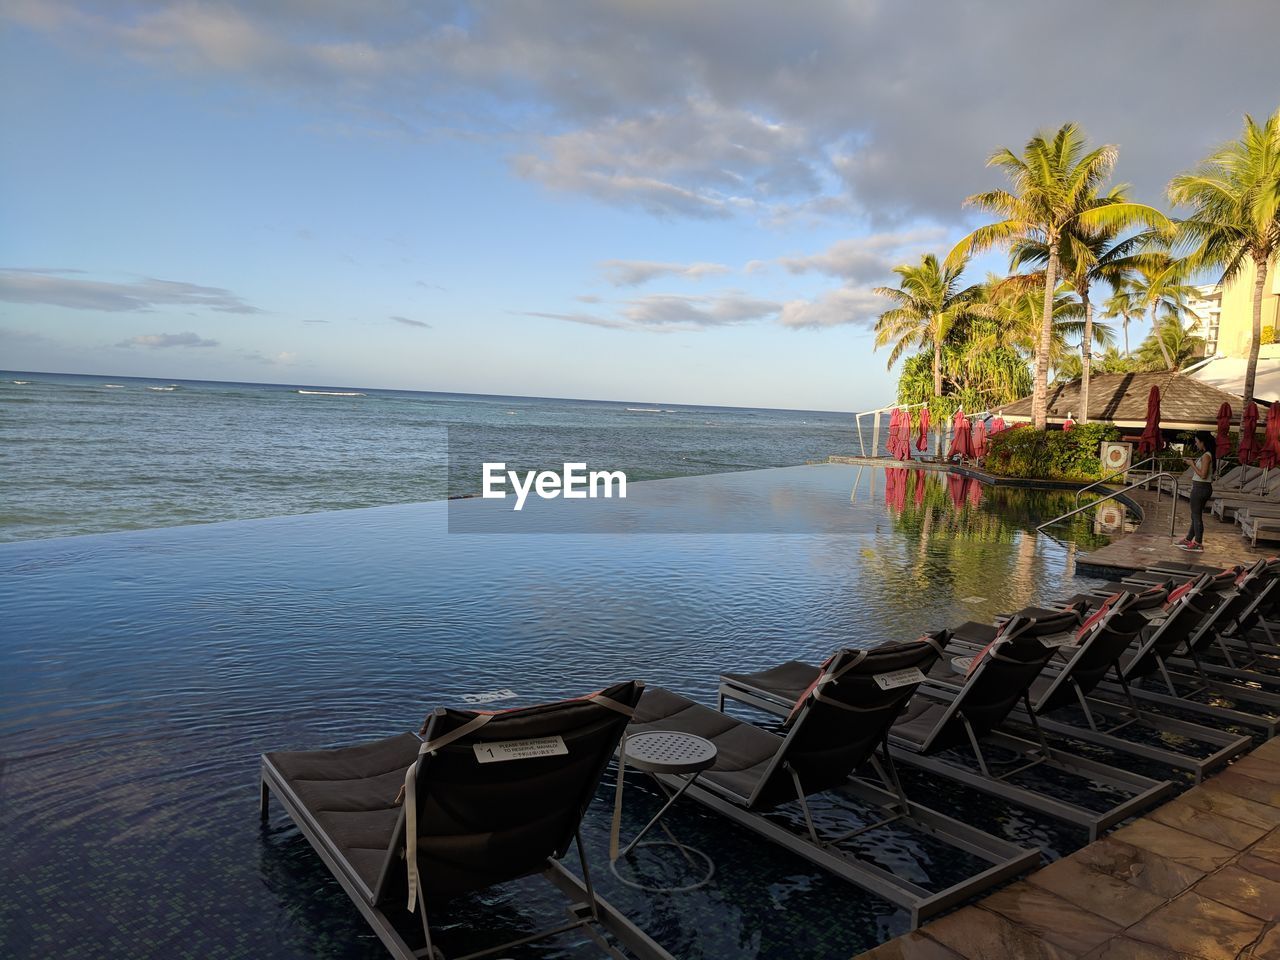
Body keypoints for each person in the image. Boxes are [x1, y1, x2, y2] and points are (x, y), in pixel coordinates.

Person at [1177, 431, 1216, 552]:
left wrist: (1192, 464)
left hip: (1200, 487)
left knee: (1196, 516)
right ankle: (1189, 539)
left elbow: (1203, 475)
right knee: (1195, 515)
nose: (1196, 444)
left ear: (1202, 442)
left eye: (1197, 441)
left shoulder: (1206, 456)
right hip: (1202, 487)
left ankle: (1198, 542)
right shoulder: (1207, 455)